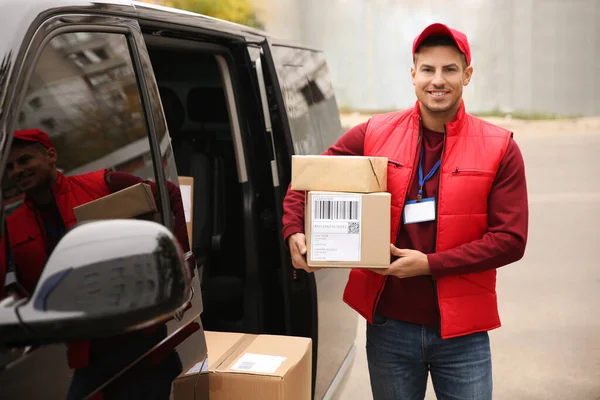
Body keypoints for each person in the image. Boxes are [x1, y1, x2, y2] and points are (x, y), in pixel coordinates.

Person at [282, 23, 529, 400]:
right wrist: (294, 230)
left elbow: (510, 241)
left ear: (467, 74)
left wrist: (429, 264)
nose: (438, 80)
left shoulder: (500, 147)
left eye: (449, 69)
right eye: (428, 69)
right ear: (413, 74)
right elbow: (307, 178)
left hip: (463, 334)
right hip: (389, 326)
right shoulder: (374, 132)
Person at [0, 128, 193, 399]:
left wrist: (181, 257)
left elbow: (172, 194)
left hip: (140, 338)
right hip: (86, 352)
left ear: (51, 156)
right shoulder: (12, 226)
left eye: (25, 160)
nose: (17, 170)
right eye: (9, 167)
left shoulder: (102, 184)